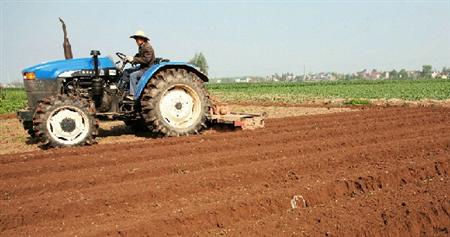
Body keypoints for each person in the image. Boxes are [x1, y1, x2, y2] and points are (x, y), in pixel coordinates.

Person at [123, 30, 155, 99]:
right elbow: (139, 56)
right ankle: (124, 91)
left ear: (143, 39)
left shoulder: (148, 47)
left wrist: (133, 59)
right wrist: (130, 58)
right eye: (136, 39)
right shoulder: (141, 46)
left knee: (133, 75)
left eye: (138, 39)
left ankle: (133, 95)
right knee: (126, 71)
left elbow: (146, 60)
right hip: (142, 67)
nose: (136, 41)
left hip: (147, 69)